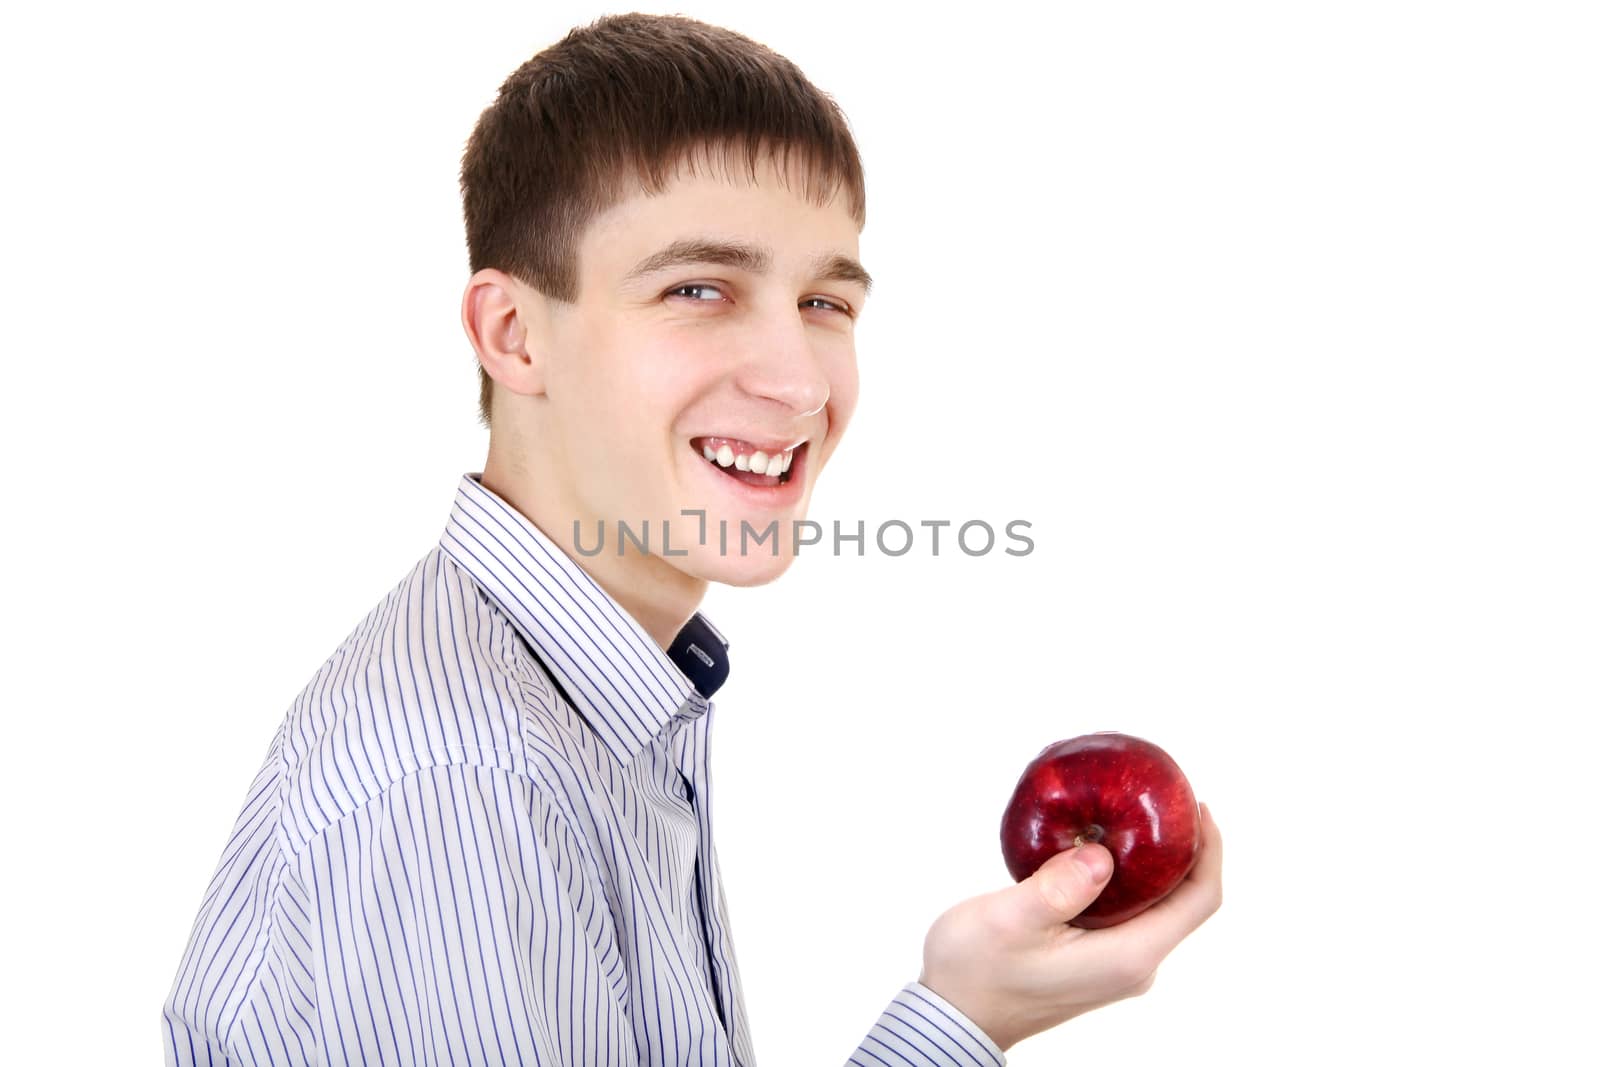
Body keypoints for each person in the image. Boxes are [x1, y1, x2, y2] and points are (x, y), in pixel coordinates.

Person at [161, 12, 1223, 1065]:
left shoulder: (592, 690)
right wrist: (955, 1028)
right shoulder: (466, 779)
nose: (799, 380)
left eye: (821, 301)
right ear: (512, 333)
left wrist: (971, 1008)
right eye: (698, 289)